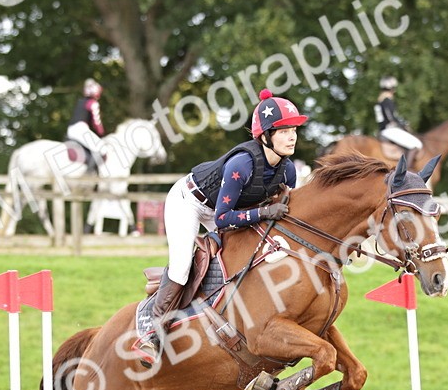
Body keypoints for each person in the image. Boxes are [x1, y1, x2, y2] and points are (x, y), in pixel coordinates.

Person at [135, 88, 308, 367]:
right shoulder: (242, 165)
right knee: (181, 266)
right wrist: (264, 211)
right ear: (265, 136)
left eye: (294, 130)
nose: (292, 136)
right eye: (283, 130)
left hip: (225, 209)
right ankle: (152, 333)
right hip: (190, 201)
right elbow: (223, 219)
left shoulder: (288, 171)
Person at [373, 76, 422, 162]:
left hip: (383, 130)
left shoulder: (379, 101)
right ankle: (405, 172)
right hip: (389, 130)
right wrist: (403, 125)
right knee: (417, 145)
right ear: (392, 89)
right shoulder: (387, 100)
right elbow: (391, 118)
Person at [67, 78, 107, 174]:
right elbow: (96, 122)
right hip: (80, 129)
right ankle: (90, 173)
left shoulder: (80, 101)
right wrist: (101, 133)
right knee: (101, 148)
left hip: (71, 129)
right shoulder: (93, 103)